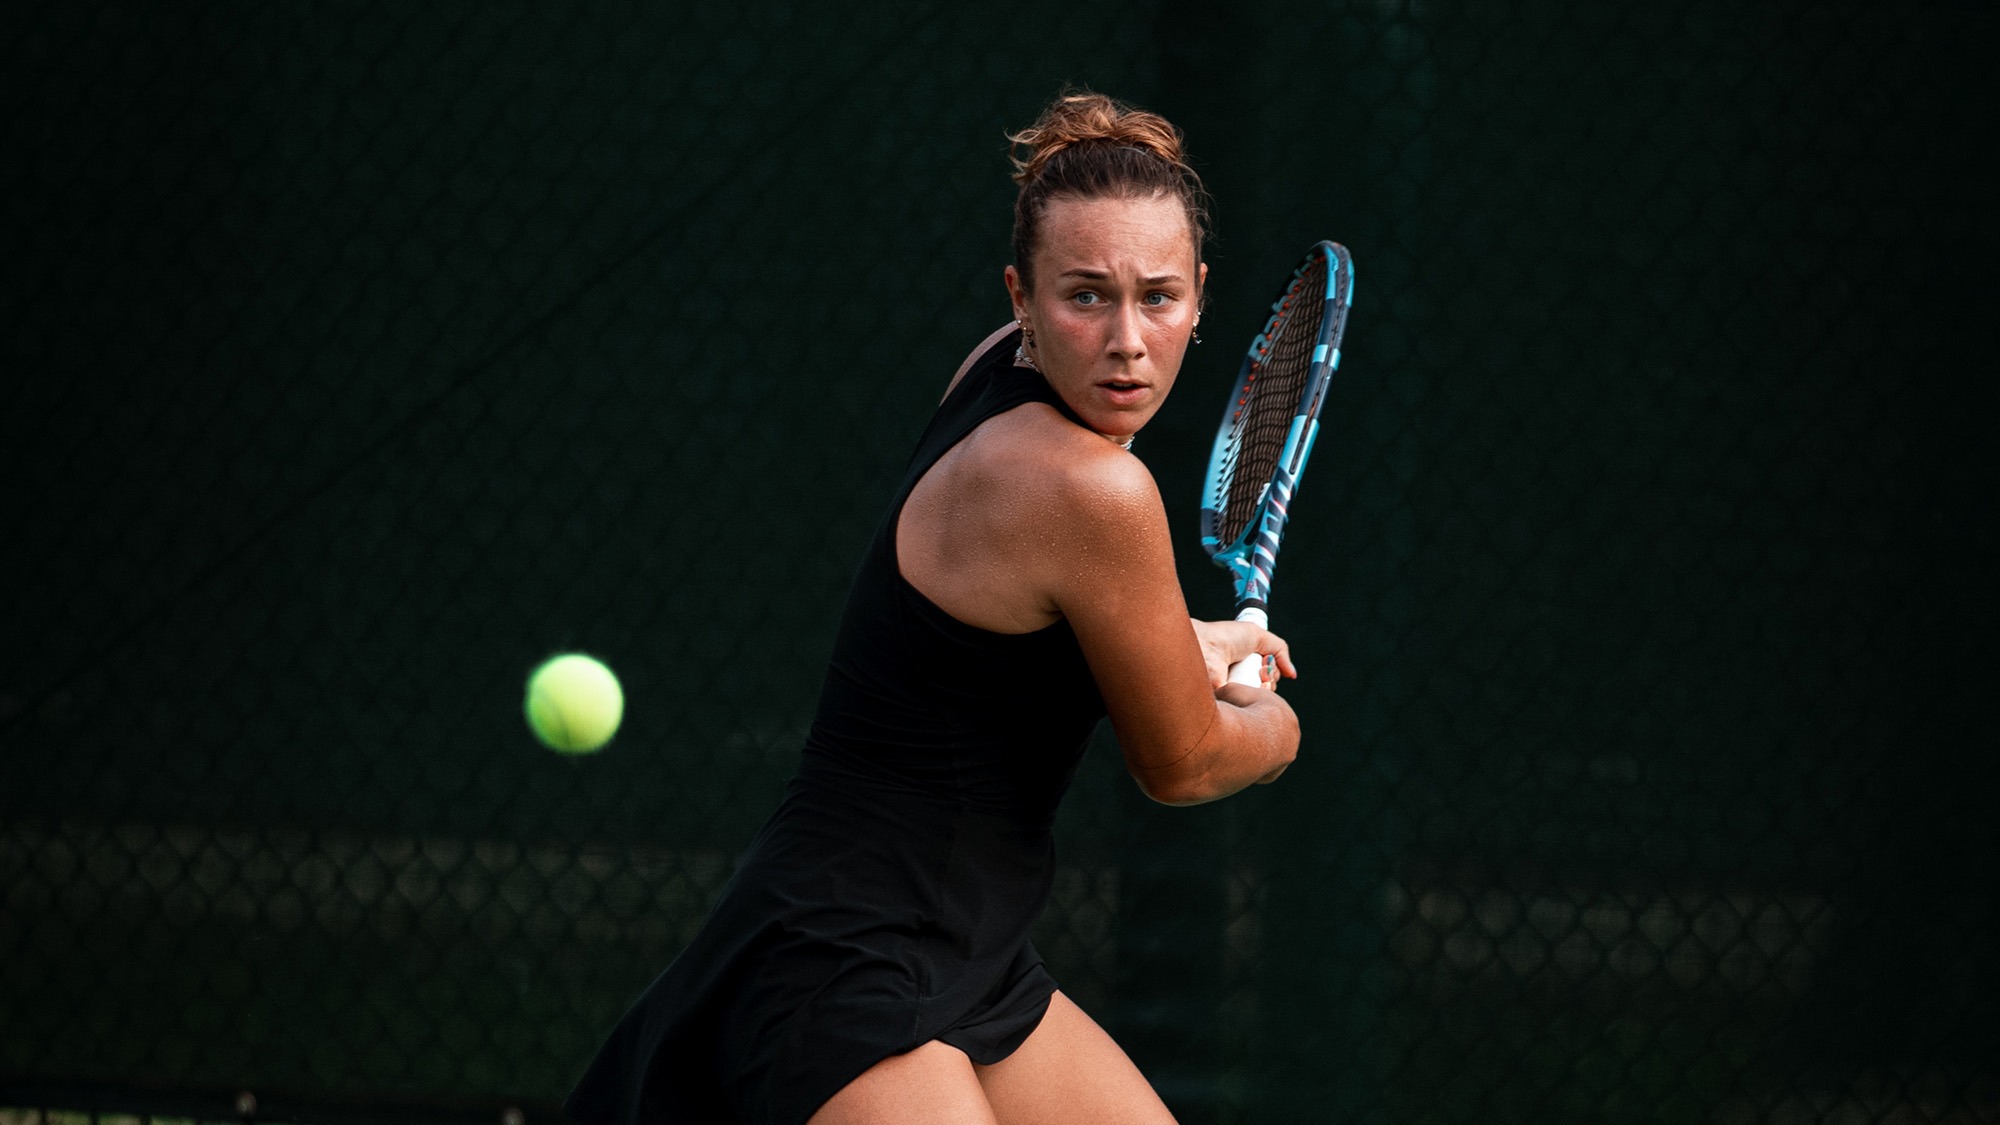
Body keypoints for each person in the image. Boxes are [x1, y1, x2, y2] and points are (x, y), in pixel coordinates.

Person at [565, 90, 1302, 1125]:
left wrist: (1183, 639)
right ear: (1021, 295)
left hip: (969, 954)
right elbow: (1179, 762)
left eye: (1158, 297)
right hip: (846, 963)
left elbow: (998, 649)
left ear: (1200, 298)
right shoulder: (1094, 491)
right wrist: (1275, 726)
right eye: (1084, 297)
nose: (1127, 340)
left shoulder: (992, 377)